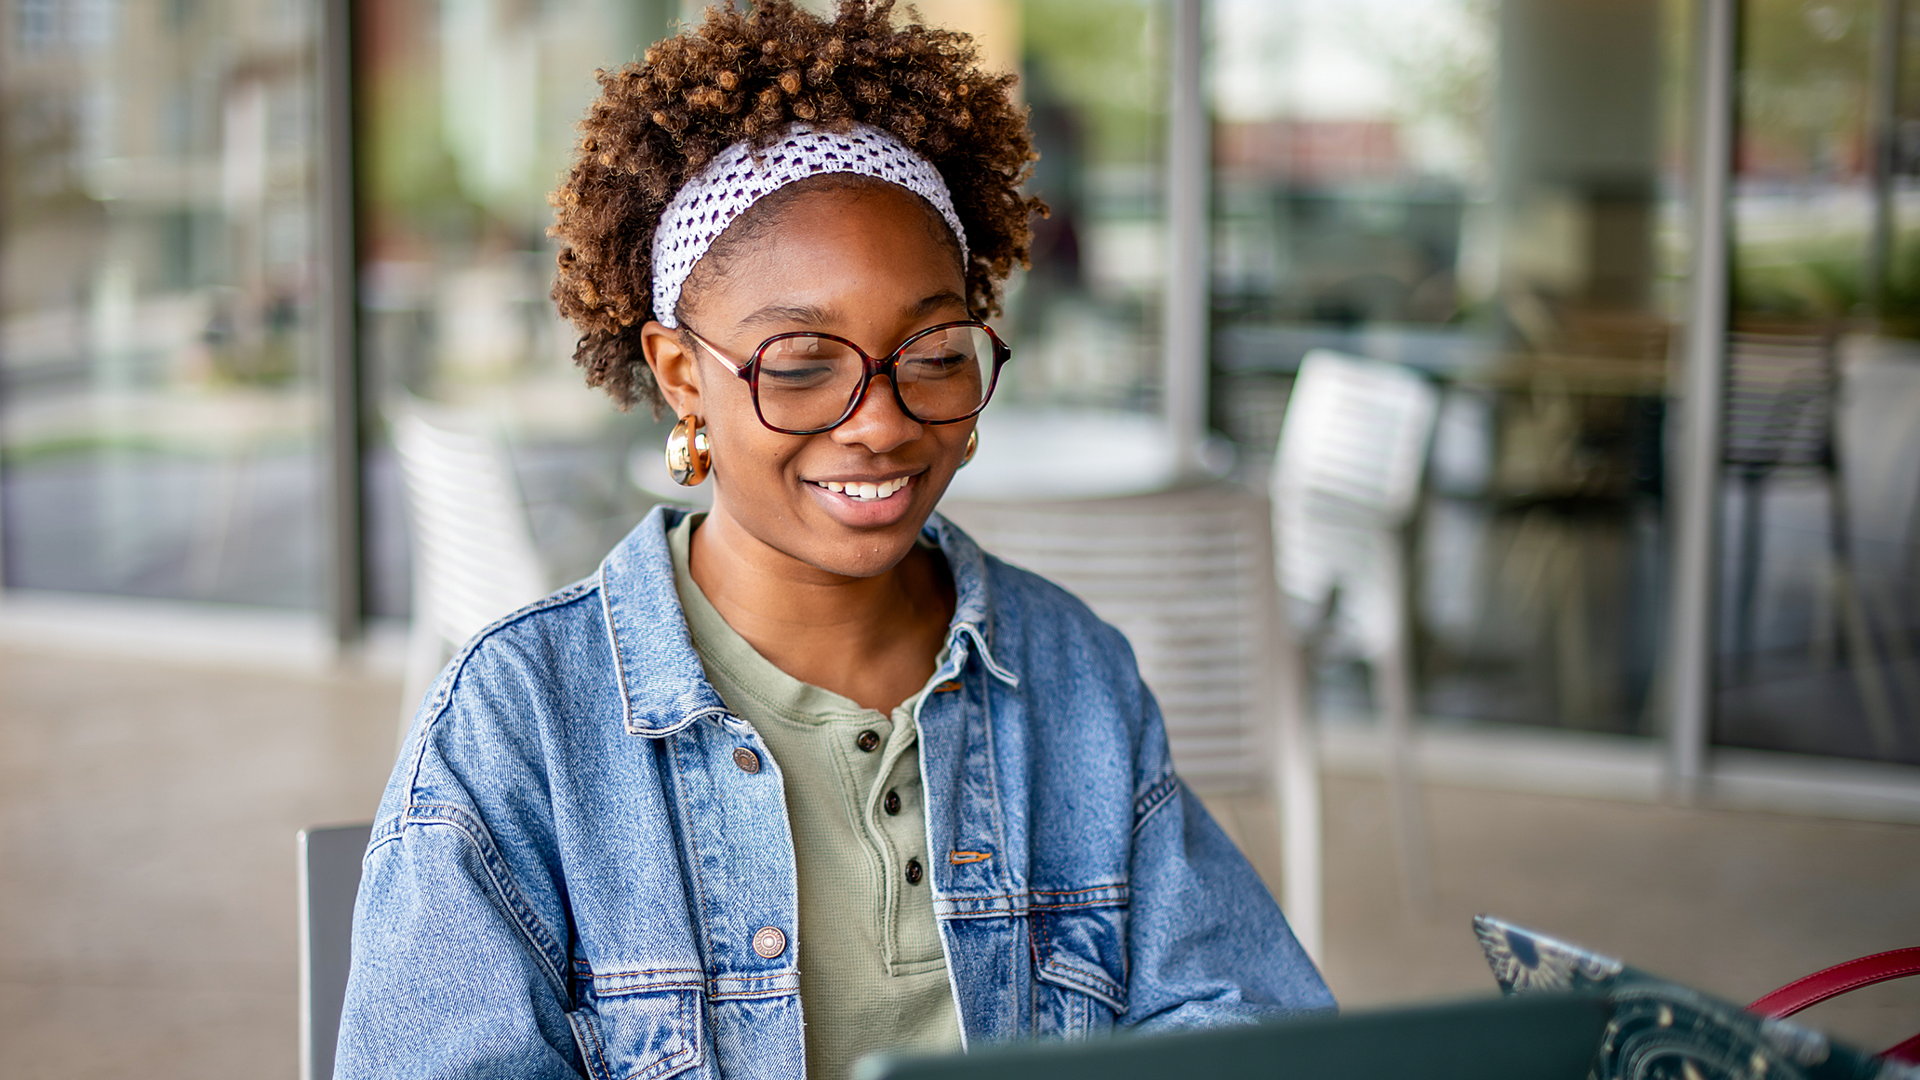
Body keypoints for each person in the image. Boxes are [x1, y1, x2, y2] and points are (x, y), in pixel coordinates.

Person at [334, 3, 1333, 1078]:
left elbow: (1243, 1019)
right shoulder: (518, 725)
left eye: (934, 349)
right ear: (682, 375)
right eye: (802, 360)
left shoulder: (1074, 674)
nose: (883, 418)